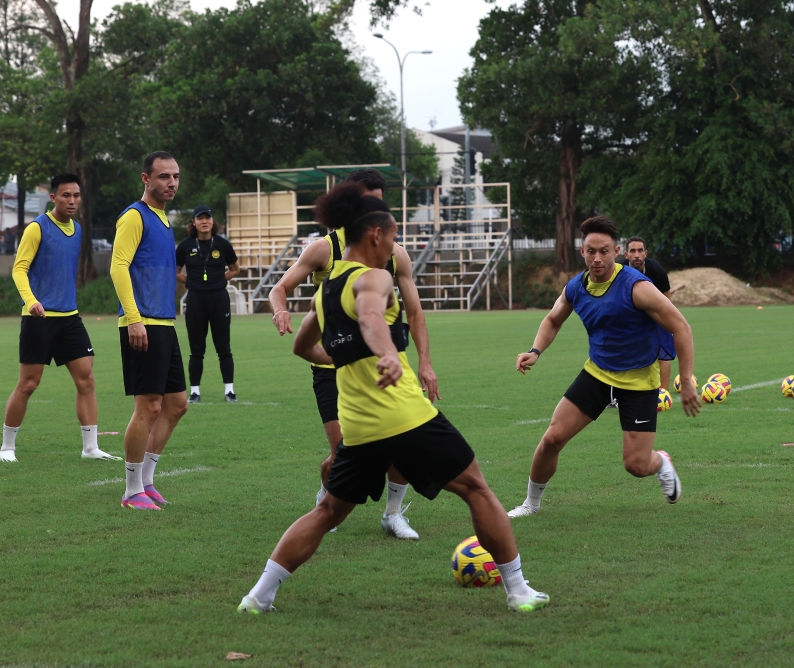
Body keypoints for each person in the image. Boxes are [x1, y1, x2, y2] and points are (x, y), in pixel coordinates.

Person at [238, 205, 549, 614]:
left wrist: (344, 360)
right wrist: (385, 353)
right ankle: (518, 590)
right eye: (393, 237)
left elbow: (301, 346)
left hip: (360, 425)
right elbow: (370, 317)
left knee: (329, 510)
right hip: (405, 416)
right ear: (375, 236)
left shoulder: (327, 287)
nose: (395, 247)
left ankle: (258, 596)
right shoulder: (375, 276)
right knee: (476, 489)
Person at [269, 169, 439, 540]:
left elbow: (415, 312)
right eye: (367, 200)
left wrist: (425, 363)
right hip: (333, 367)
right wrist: (280, 309)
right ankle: (328, 497)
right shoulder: (323, 249)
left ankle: (393, 513)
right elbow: (279, 288)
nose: (374, 208)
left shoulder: (396, 255)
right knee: (345, 453)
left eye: (379, 201)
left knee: (403, 444)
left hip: (385, 365)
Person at [507, 216, 700, 518]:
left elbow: (681, 326)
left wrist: (685, 378)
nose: (597, 259)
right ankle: (531, 504)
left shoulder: (636, 287)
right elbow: (553, 319)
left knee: (636, 465)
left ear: (617, 251)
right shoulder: (577, 287)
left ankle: (661, 461)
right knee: (552, 438)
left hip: (638, 382)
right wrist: (535, 351)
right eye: (591, 251)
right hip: (597, 374)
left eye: (604, 251)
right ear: (582, 251)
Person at [0, 173, 118, 463]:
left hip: (70, 317)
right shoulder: (37, 228)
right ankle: (7, 448)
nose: (72, 200)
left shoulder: (77, 230)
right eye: (66, 195)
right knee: (28, 383)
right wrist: (32, 300)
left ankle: (90, 448)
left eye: (76, 195)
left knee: (86, 379)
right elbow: (19, 269)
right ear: (53, 198)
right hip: (38, 317)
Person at [109, 151, 189, 510]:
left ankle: (147, 481)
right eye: (163, 177)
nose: (171, 182)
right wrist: (134, 317)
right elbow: (118, 267)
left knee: (176, 405)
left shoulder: (164, 219)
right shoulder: (134, 216)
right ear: (146, 179)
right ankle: (130, 491)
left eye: (174, 176)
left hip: (164, 323)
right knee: (149, 407)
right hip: (143, 323)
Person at [176, 204, 241, 403]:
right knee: (197, 349)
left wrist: (220, 280)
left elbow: (235, 269)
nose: (204, 221)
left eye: (208, 218)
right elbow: (175, 271)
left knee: (224, 347)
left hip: (219, 298)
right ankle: (194, 391)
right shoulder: (186, 245)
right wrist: (191, 282)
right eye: (200, 218)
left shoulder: (222, 244)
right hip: (195, 299)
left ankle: (229, 390)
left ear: (213, 222)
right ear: (193, 223)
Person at [623, 236, 674, 392]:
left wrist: (667, 325)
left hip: (655, 315)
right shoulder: (618, 272)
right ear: (626, 255)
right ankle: (620, 393)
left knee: (663, 353)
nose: (636, 255)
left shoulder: (657, 271)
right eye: (632, 251)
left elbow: (667, 301)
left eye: (640, 251)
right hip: (629, 317)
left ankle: (663, 395)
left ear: (646, 253)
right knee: (622, 354)